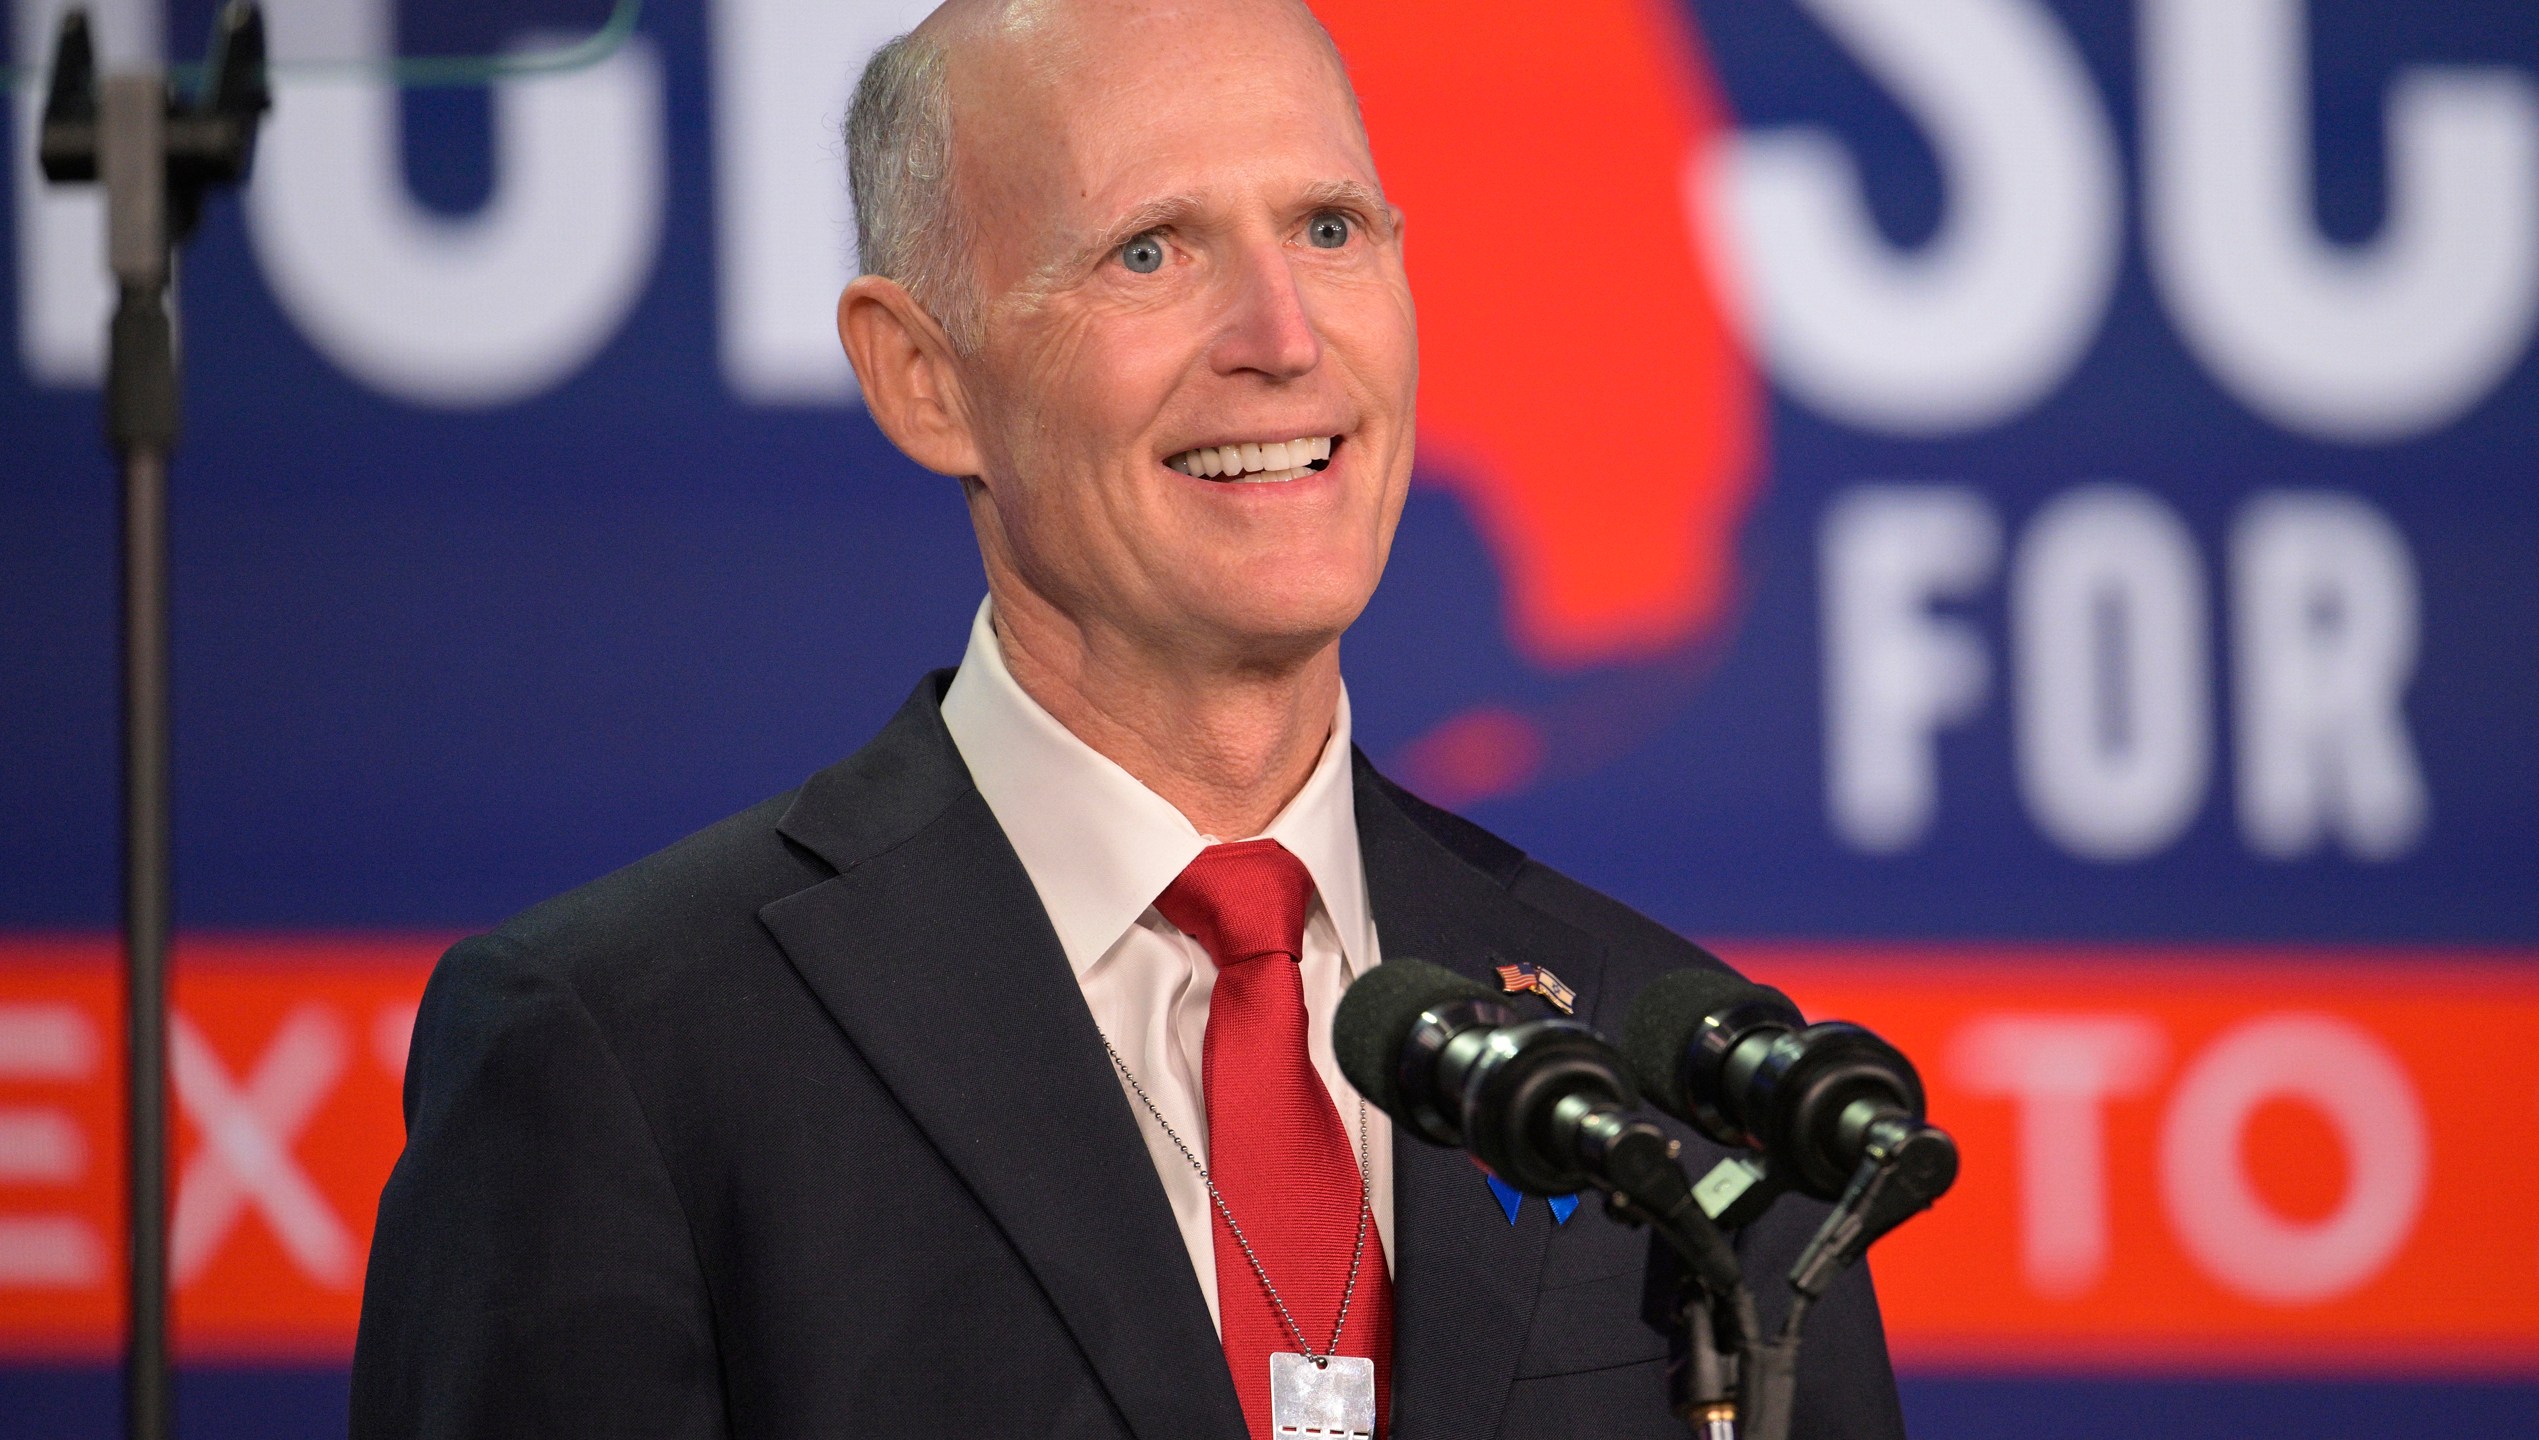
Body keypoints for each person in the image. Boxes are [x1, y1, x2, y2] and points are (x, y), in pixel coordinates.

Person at [348, 1, 1907, 1436]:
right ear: (922, 378)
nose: (1286, 336)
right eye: (1151, 252)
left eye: (1330, 227)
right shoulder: (627, 1052)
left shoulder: (1673, 1061)